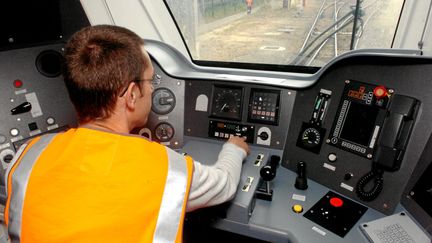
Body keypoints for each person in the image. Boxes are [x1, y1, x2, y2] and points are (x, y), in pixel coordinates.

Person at [4, 25, 249, 242]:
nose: (152, 88)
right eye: (150, 80)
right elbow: (225, 184)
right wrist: (235, 148)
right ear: (131, 95)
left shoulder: (26, 157)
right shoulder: (167, 170)